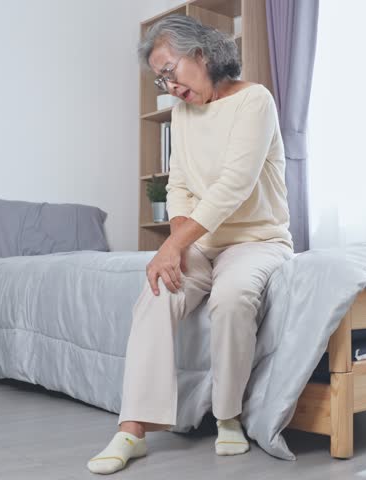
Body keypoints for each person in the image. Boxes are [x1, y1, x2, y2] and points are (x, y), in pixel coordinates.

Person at [88, 14, 294, 474]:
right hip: (203, 241)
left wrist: (170, 244)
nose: (168, 85)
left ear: (201, 55)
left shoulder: (255, 101)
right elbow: (178, 183)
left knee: (232, 296)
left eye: (170, 71)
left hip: (258, 239)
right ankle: (132, 430)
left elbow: (233, 187)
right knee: (156, 293)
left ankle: (229, 417)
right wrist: (176, 246)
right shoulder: (181, 114)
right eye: (160, 78)